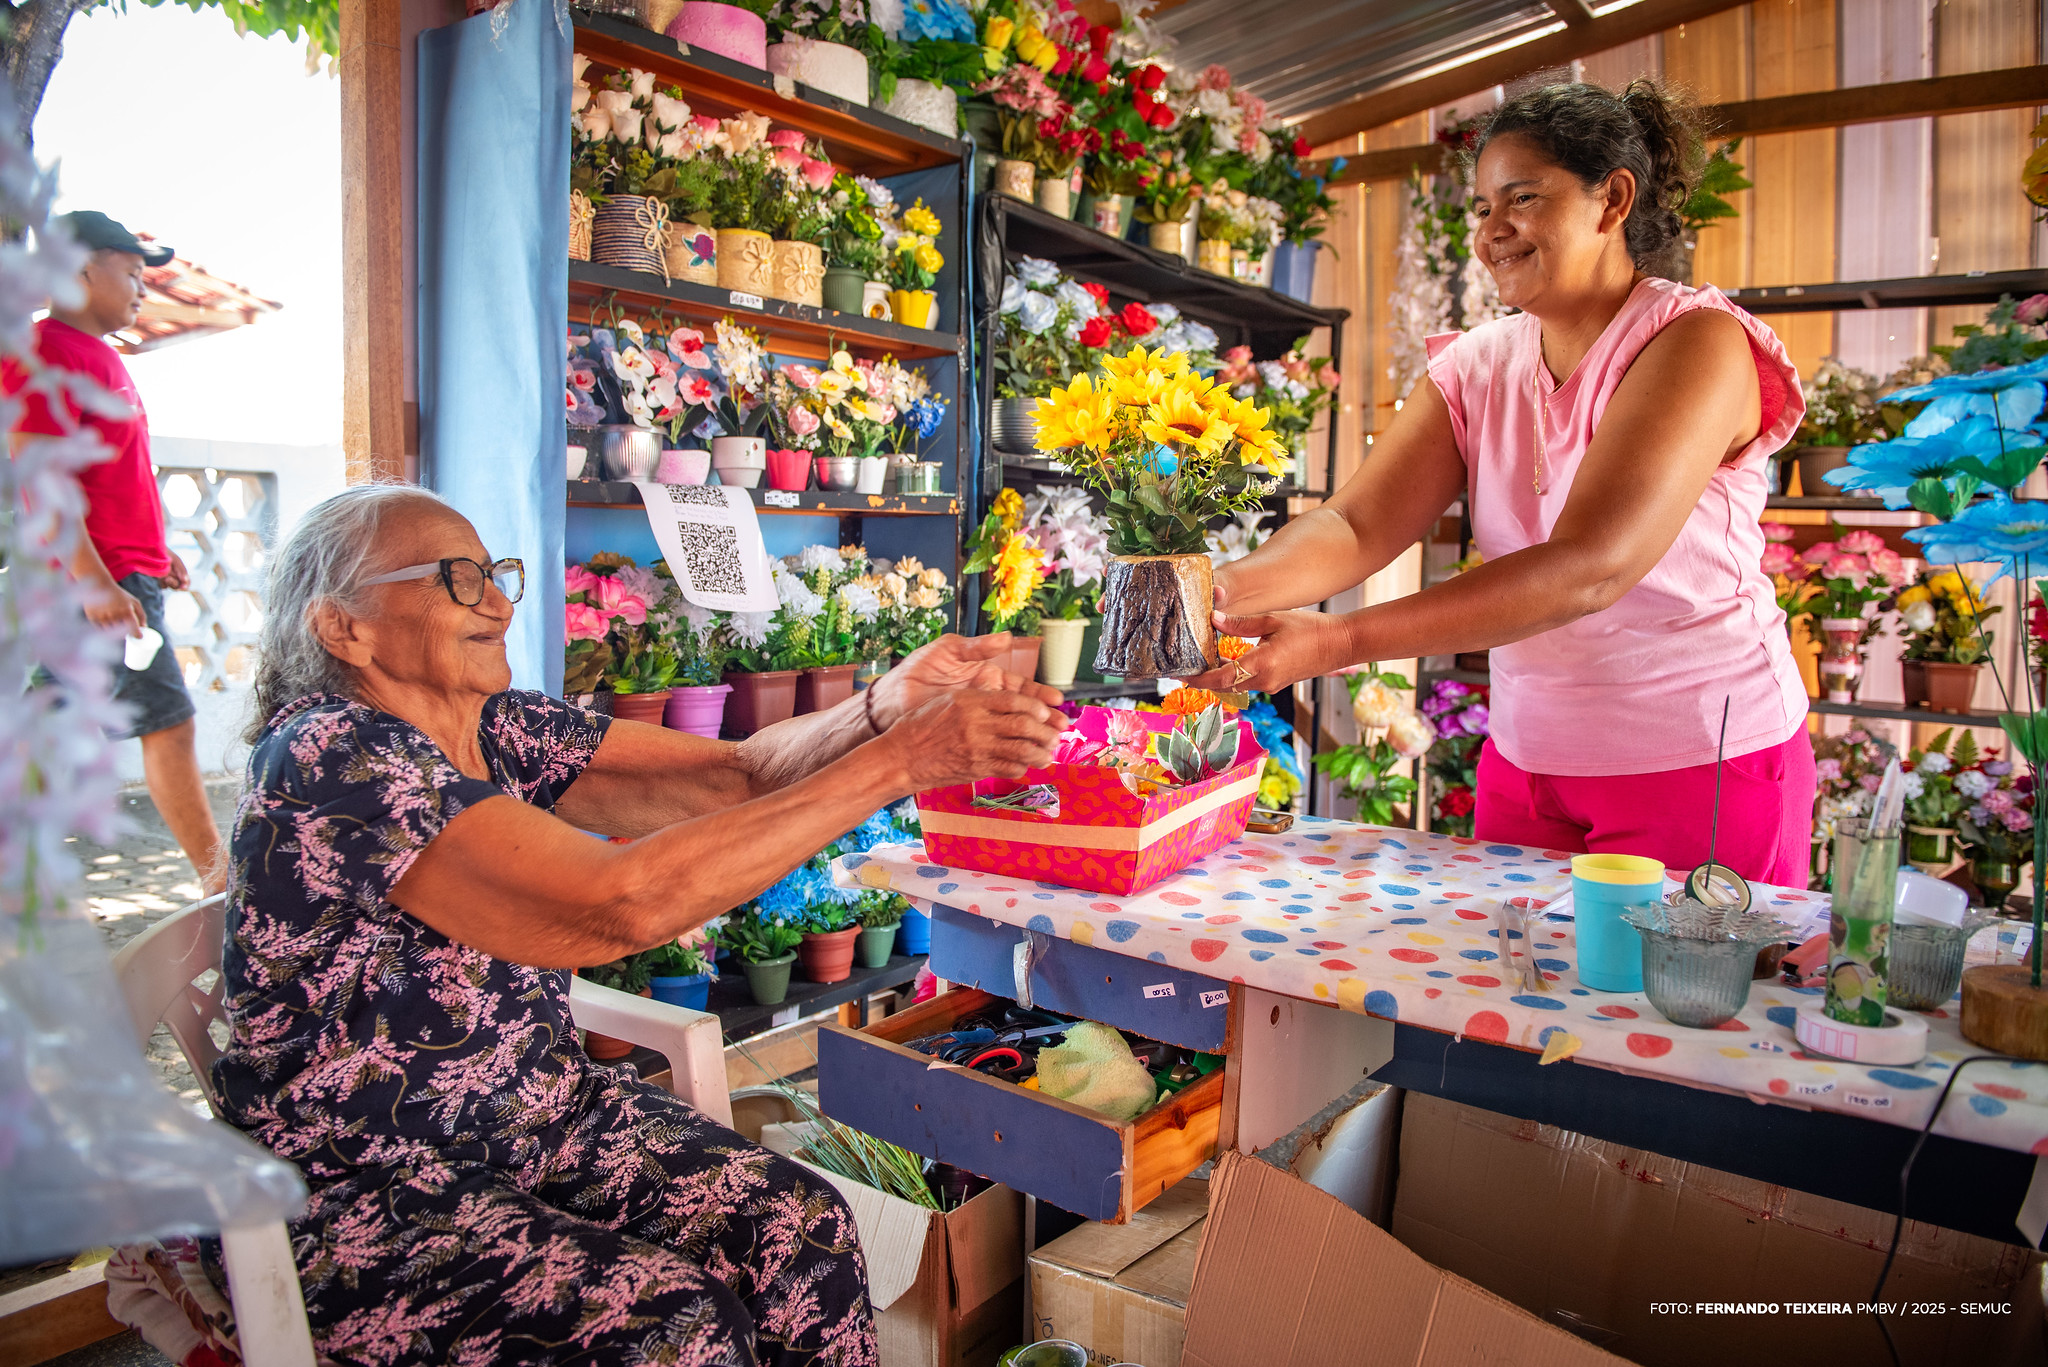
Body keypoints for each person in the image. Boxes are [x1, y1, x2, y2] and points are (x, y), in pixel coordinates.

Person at [213, 482, 1066, 1366]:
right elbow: (614, 902)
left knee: (802, 1233)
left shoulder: (497, 729)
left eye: (495, 573)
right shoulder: (331, 753)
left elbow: (734, 776)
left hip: (544, 1125)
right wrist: (903, 760)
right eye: (457, 580)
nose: (500, 601)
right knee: (680, 1331)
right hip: (369, 1186)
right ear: (340, 625)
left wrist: (882, 709)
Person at [1196, 81, 1814, 887]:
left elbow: (1591, 564)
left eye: (1522, 199)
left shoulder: (1695, 342)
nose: (1492, 232)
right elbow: (1356, 527)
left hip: (1700, 758)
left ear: (1613, 199)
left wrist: (1336, 641)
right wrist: (1217, 592)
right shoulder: (1479, 364)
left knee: (1682, 1011)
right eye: (1482, 207)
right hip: (1528, 761)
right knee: (1517, 1006)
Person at [6, 211, 224, 894]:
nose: (140, 288)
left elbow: (111, 475)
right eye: (129, 272)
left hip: (119, 572)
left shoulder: (100, 355)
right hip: (85, 583)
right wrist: (96, 582)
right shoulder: (42, 350)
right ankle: (221, 882)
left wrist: (157, 551)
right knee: (169, 725)